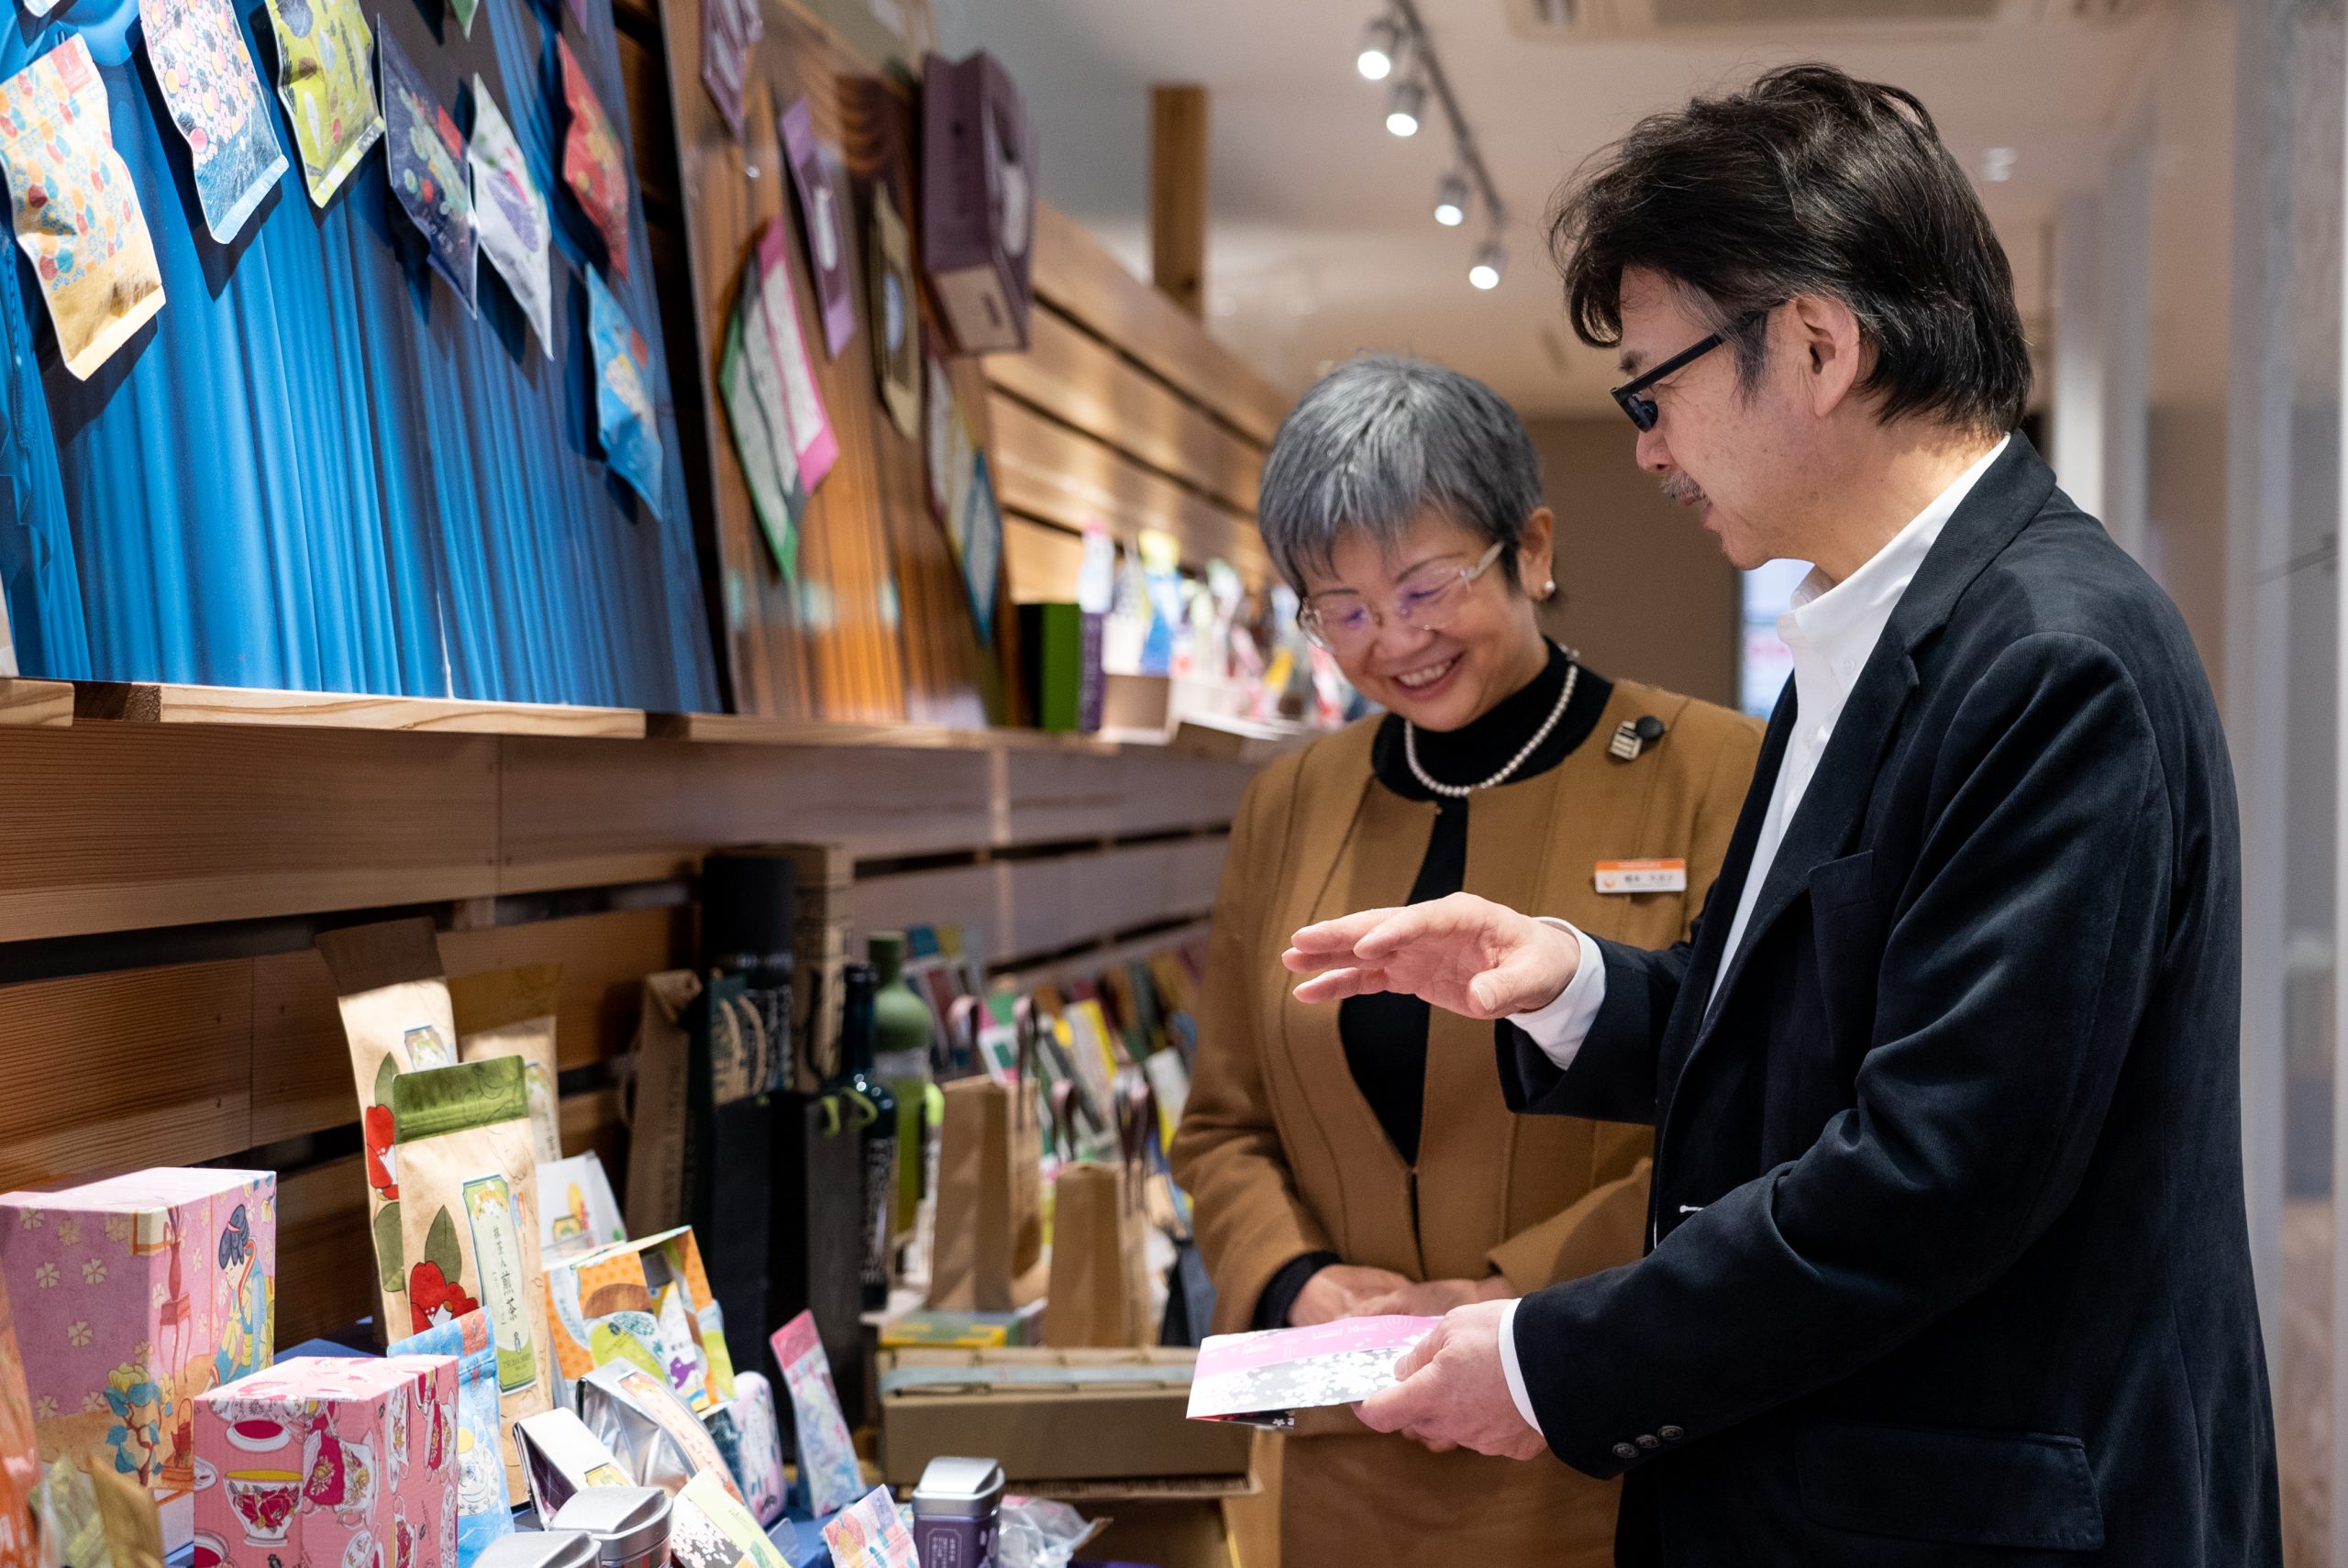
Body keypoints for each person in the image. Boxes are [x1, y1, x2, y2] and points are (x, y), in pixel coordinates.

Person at [1281, 65, 2281, 1567]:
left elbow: (1926, 1173)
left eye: (1656, 388)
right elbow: (1816, 1028)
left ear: (1814, 344)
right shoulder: (1870, 629)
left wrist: (1552, 1359)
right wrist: (1572, 979)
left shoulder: (2054, 661)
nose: (1647, 446)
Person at [1169, 354, 1761, 1568]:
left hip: (1602, 1432)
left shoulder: (1715, 774)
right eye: (1340, 608)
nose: (1393, 639)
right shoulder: (1289, 801)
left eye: (1427, 586)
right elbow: (1224, 1121)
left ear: (1531, 549)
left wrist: (1513, 1292)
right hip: (1344, 1453)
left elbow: (1748, 1123)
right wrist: (1294, 1282)